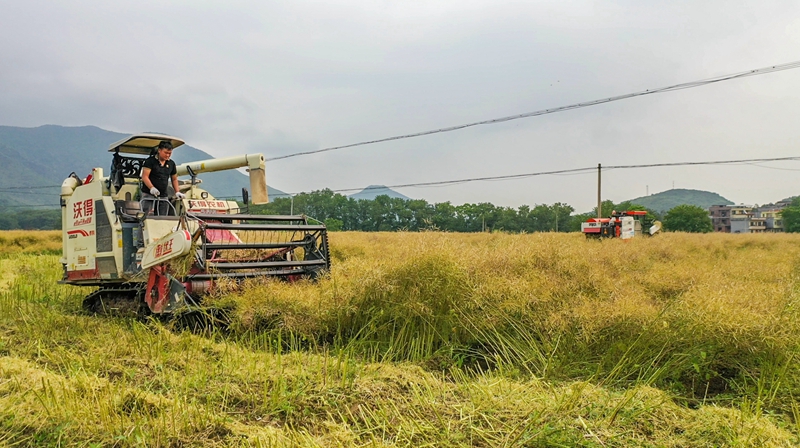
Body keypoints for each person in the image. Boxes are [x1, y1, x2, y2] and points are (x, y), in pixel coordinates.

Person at [141, 140, 185, 215]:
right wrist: (151, 188)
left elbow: (174, 179)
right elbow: (145, 176)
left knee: (162, 216)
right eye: (166, 153)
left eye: (170, 153)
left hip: (163, 195)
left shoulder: (171, 163)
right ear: (159, 150)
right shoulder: (150, 161)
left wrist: (177, 191)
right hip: (148, 193)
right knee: (145, 215)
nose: (167, 155)